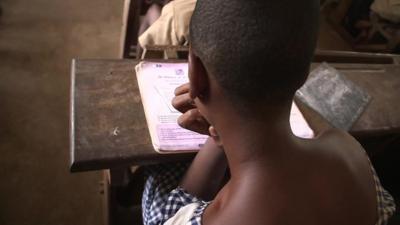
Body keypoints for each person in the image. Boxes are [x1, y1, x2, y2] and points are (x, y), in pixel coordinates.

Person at [142, 0, 396, 224]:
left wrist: (220, 134)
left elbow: (166, 214)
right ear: (304, 73)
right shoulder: (349, 151)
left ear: (195, 72)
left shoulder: (214, 217)